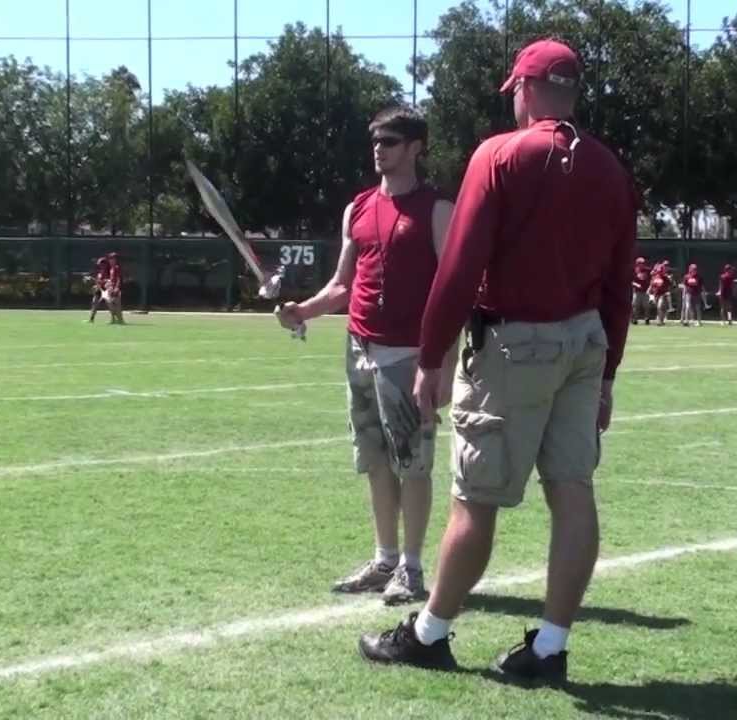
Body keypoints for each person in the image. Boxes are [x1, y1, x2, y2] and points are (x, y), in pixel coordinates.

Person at [357, 39, 637, 684]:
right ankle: (551, 647)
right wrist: (608, 373)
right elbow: (619, 282)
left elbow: (460, 266)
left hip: (513, 345)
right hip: (584, 343)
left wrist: (431, 355)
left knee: (474, 500)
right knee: (573, 491)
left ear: (526, 90)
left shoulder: (500, 154)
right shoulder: (609, 167)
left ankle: (429, 634)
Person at [276, 108, 455, 605]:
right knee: (375, 459)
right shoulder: (357, 208)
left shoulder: (437, 208)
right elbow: (342, 284)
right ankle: (385, 560)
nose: (379, 148)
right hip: (359, 348)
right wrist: (302, 311)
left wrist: (443, 365)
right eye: (375, 140)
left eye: (391, 140)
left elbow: (453, 291)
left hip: (410, 355)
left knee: (412, 464)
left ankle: (411, 568)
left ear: (416, 147)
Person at [649, 260, 673, 326]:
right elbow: (652, 285)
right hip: (656, 294)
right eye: (660, 269)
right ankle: (661, 320)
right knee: (659, 308)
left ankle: (660, 321)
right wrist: (650, 293)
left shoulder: (665, 277)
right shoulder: (655, 276)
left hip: (663, 294)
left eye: (661, 270)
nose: (660, 270)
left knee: (660, 306)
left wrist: (670, 279)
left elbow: (671, 285)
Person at [88, 256, 110, 323]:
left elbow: (108, 281)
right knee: (94, 303)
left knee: (109, 304)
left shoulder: (108, 272)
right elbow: (98, 281)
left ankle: (114, 319)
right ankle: (91, 319)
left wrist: (99, 282)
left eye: (101, 264)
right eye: (99, 264)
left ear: (105, 264)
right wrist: (95, 283)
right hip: (99, 289)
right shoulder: (100, 272)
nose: (100, 265)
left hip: (105, 289)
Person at [681, 263, 704, 327]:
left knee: (697, 308)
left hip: (696, 294)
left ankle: (699, 322)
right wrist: (683, 294)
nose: (694, 270)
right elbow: (685, 286)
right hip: (688, 294)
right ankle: (686, 321)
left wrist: (702, 293)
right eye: (693, 269)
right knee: (687, 307)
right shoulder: (686, 277)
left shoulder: (699, 277)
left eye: (695, 269)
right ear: (690, 269)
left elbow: (702, 286)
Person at [105, 252, 126, 324]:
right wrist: (108, 283)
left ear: (115, 260)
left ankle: (120, 320)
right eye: (110, 258)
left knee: (117, 305)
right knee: (110, 304)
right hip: (111, 288)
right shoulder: (111, 268)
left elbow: (118, 279)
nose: (111, 260)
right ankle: (113, 319)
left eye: (112, 259)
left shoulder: (117, 267)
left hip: (115, 289)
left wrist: (117, 287)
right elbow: (112, 279)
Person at [631, 257, 650, 325]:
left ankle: (647, 319)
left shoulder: (647, 270)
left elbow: (651, 280)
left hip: (645, 291)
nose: (642, 264)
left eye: (643, 263)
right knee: (636, 306)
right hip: (637, 291)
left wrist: (649, 288)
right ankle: (635, 319)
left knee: (646, 306)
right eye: (640, 263)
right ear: (637, 264)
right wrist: (636, 285)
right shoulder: (634, 271)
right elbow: (631, 281)